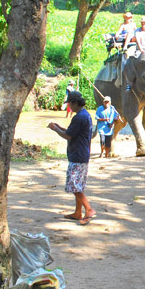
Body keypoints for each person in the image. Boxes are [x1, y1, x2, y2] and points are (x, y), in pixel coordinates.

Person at [47, 92, 96, 225]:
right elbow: (71, 132)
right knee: (79, 184)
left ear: (74, 103)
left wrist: (54, 129)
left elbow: (68, 136)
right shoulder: (84, 115)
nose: (69, 106)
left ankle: (89, 209)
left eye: (69, 103)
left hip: (78, 155)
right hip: (82, 153)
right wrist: (58, 127)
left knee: (74, 185)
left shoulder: (79, 117)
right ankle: (78, 212)